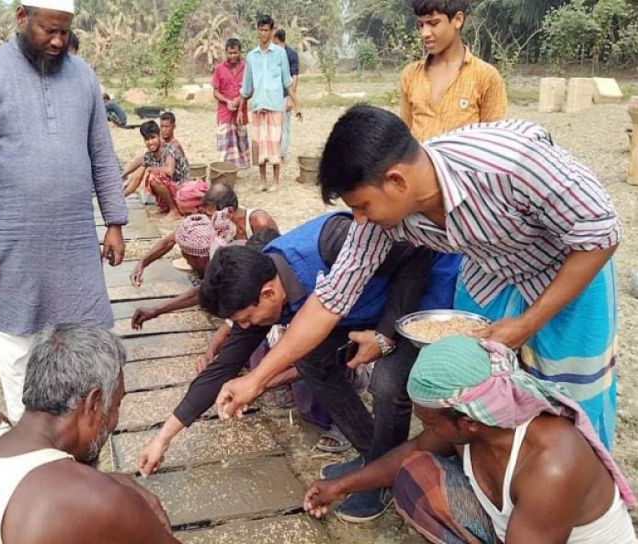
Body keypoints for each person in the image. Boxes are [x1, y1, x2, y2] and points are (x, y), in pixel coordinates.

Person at [215, 105, 622, 450]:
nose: (358, 219)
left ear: (395, 180)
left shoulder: (508, 164)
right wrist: (255, 379)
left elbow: (602, 233)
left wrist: (529, 322)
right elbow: (330, 301)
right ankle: (506, 480)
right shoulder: (381, 219)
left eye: (361, 206)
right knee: (480, 391)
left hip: (567, 270)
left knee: (573, 400)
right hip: (490, 275)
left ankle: (583, 491)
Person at [138, 213, 461, 522]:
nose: (247, 327)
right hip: (354, 310)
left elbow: (415, 251)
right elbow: (222, 369)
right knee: (311, 360)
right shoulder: (256, 287)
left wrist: (385, 334)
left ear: (268, 293)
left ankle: (383, 481)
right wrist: (163, 438)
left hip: (418, 293)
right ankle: (374, 457)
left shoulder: (332, 243)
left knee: (388, 384)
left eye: (248, 319)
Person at [0, 0, 127, 423]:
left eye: (64, 32)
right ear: (21, 18)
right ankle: (27, 441)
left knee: (81, 339)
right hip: (14, 238)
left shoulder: (83, 76)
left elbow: (101, 154)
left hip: (72, 238)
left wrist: (115, 222)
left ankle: (78, 434)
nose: (57, 40)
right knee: (17, 344)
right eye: (48, 30)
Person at [304, 335, 637, 543]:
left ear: (468, 423)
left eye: (428, 421)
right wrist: (340, 487)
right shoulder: (481, 426)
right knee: (416, 472)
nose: (425, 430)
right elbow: (416, 450)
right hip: (526, 531)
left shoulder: (552, 465)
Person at [0, 324, 179, 544]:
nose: (115, 420)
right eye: (117, 404)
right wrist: (131, 507)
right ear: (94, 403)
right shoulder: (100, 501)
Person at [130, 184, 278, 330]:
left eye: (209, 215)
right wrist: (143, 262)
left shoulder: (258, 223)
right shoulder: (216, 226)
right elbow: (170, 240)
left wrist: (157, 310)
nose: (207, 219)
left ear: (230, 211)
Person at [401, 0, 507, 141]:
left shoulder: (486, 76)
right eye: (421, 25)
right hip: (419, 163)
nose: (424, 33)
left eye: (433, 23)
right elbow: (403, 139)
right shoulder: (410, 75)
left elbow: (494, 142)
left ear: (458, 20)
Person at [236, 14, 298, 192]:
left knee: (274, 144)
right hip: (258, 107)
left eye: (267, 30)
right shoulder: (251, 56)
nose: (263, 33)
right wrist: (241, 110)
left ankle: (276, 181)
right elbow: (246, 88)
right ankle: (262, 181)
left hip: (275, 107)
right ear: (257, 31)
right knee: (260, 144)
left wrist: (296, 104)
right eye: (261, 29)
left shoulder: (280, 54)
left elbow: (287, 81)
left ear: (272, 32)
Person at [122, 120, 191, 221]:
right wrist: (123, 177)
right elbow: (137, 171)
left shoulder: (169, 150)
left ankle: (174, 211)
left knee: (153, 177)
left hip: (183, 190)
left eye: (153, 138)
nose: (150, 142)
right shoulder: (151, 155)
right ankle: (166, 207)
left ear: (159, 136)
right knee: (145, 171)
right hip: (174, 189)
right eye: (147, 139)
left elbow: (169, 171)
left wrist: (151, 169)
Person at [212, 38, 250, 169]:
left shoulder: (246, 68)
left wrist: (239, 99)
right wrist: (227, 101)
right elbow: (215, 92)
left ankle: (239, 168)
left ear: (240, 52)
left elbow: (250, 90)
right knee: (224, 144)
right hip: (224, 113)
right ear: (226, 53)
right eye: (230, 53)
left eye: (235, 53)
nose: (233, 56)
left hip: (240, 112)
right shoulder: (219, 69)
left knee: (240, 142)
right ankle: (224, 168)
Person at [272, 28, 301, 161]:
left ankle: (282, 154)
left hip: (285, 95)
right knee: (274, 126)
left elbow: (294, 77)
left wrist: (291, 98)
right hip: (274, 96)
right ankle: (274, 152)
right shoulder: (273, 54)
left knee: (285, 126)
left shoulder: (291, 54)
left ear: (277, 39)